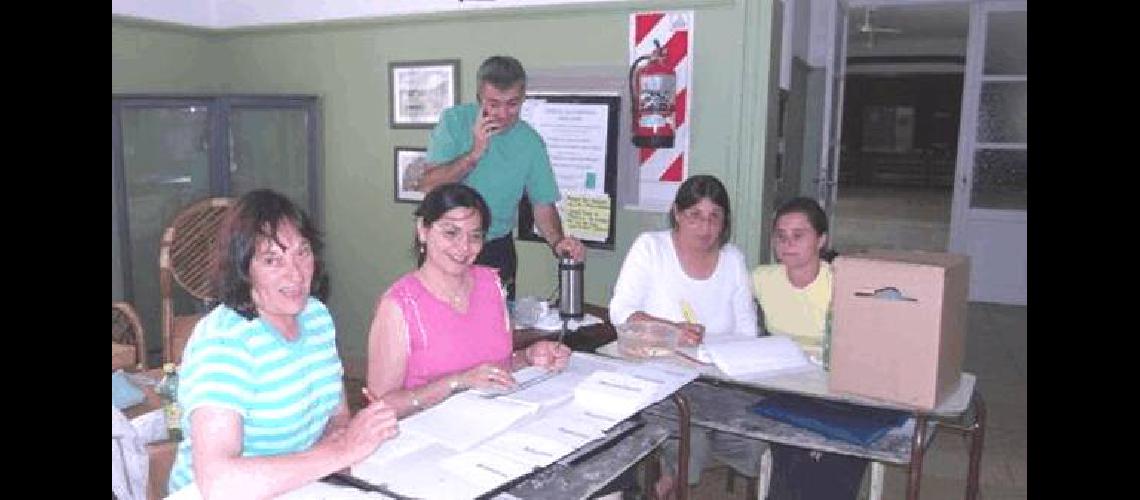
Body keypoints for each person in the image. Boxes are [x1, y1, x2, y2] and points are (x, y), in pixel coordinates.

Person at [167, 189, 400, 498]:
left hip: (298, 486)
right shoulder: (223, 343)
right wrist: (342, 450)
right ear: (243, 268)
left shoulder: (315, 315)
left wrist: (347, 436)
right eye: (272, 260)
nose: (295, 273)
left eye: (302, 252)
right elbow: (218, 483)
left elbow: (336, 415)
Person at [609, 174, 762, 499]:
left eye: (714, 217)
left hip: (718, 381)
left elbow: (747, 333)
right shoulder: (651, 248)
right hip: (661, 381)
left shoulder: (732, 260)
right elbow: (621, 312)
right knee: (693, 444)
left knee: (755, 439)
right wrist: (671, 330)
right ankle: (668, 482)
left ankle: (671, 479)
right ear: (677, 214)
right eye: (695, 216)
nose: (705, 228)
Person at [366, 183, 571, 417]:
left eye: (475, 236)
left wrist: (528, 357)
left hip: (492, 420)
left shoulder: (491, 284)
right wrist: (456, 383)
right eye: (451, 233)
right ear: (423, 230)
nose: (463, 247)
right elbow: (380, 406)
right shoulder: (398, 306)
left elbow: (495, 367)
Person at [418, 55, 585, 300]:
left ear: (523, 98)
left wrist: (558, 242)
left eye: (512, 104)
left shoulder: (530, 142)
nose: (503, 114)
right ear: (479, 98)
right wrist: (473, 154)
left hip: (496, 246)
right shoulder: (454, 122)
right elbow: (429, 184)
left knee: (498, 329)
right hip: (447, 245)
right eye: (493, 104)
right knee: (442, 330)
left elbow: (542, 205)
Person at [752, 196, 867, 500]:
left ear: (821, 240)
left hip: (838, 389)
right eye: (781, 236)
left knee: (836, 453)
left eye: (799, 235)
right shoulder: (763, 278)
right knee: (790, 449)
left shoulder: (843, 282)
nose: (788, 243)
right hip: (787, 387)